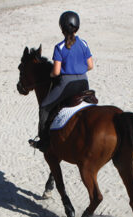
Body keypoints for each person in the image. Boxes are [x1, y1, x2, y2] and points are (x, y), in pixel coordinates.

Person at [29, 11, 94, 152]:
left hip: (67, 84)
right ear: (77, 27)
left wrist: (52, 74)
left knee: (44, 107)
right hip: (84, 82)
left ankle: (43, 141)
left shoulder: (60, 47)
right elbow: (90, 66)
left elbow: (56, 72)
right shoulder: (84, 43)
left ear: (62, 28)